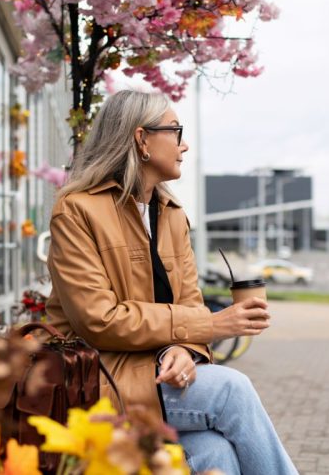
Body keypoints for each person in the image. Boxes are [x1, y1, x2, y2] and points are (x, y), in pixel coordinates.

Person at [45, 90, 298, 475]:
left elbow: (190, 305)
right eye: (175, 131)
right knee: (233, 390)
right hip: (100, 379)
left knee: (215, 453)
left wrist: (186, 349)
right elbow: (99, 320)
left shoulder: (173, 214)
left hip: (157, 376)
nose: (185, 144)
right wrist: (210, 326)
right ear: (142, 139)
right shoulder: (77, 210)